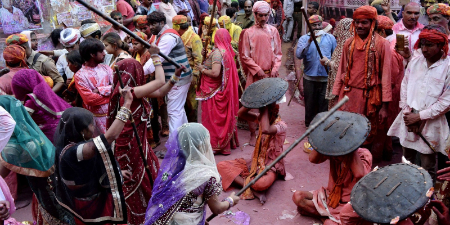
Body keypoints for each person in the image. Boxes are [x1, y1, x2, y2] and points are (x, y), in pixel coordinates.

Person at [107, 53, 173, 224]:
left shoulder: (135, 91)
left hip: (141, 145)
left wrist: (175, 78)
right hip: (129, 147)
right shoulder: (130, 92)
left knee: (147, 178)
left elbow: (161, 90)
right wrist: (156, 56)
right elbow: (158, 81)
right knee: (136, 182)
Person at [52, 98, 134, 224]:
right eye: (91, 124)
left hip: (87, 196)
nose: (93, 126)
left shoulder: (72, 143)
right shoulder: (74, 151)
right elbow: (110, 137)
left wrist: (118, 172)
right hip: (88, 203)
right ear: (82, 131)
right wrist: (127, 104)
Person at [0, 95, 76, 225]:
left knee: (57, 216)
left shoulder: (13, 147)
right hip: (54, 184)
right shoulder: (29, 134)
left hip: (45, 189)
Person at [144, 123, 240, 224]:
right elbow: (216, 208)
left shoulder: (175, 167)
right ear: (202, 145)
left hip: (163, 219)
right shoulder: (208, 175)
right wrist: (231, 200)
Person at [388, 25, 450, 179]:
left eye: (429, 45)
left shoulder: (447, 67)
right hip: (408, 119)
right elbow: (405, 86)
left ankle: (426, 200)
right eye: (422, 44)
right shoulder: (415, 62)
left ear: (441, 45)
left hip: (431, 122)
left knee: (427, 166)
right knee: (406, 162)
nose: (424, 49)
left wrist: (420, 117)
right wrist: (408, 114)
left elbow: (446, 102)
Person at [332, 5, 392, 162]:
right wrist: (335, 96)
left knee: (367, 133)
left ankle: (363, 166)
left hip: (370, 96)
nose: (359, 26)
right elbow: (341, 72)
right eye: (357, 22)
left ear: (372, 23)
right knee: (346, 129)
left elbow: (386, 75)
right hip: (348, 95)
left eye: (364, 22)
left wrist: (385, 107)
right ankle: (347, 164)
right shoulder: (348, 43)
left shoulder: (382, 44)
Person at [292, 111, 373, 225]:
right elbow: (312, 159)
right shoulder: (332, 151)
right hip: (330, 197)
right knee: (298, 197)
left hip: (348, 204)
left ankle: (327, 218)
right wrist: (325, 137)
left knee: (328, 224)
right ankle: (329, 217)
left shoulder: (364, 154)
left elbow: (359, 174)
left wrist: (350, 145)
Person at [218, 78, 288, 204]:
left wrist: (265, 106)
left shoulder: (281, 125)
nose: (263, 115)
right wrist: (253, 100)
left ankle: (252, 187)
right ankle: (253, 189)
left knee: (261, 184)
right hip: (255, 163)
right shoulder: (261, 119)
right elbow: (240, 113)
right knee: (220, 166)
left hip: (271, 165)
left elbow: (266, 129)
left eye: (267, 112)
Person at [240, 0, 282, 146]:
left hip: (271, 76)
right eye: (260, 15)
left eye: (266, 15)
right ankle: (253, 134)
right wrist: (257, 70)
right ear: (255, 14)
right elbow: (245, 56)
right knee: (251, 104)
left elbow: (278, 53)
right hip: (255, 75)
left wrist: (275, 69)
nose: (263, 18)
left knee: (272, 106)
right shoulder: (248, 33)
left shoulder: (273, 31)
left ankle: (269, 133)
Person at [145, 11, 193, 134]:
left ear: (162, 23)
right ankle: (185, 141)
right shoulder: (160, 34)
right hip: (178, 78)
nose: (150, 27)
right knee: (178, 111)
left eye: (153, 24)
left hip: (179, 79)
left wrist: (139, 71)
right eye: (149, 24)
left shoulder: (167, 37)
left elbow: (154, 61)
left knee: (174, 112)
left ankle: (175, 149)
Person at [196, 28, 239, 155]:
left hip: (213, 91)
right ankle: (224, 145)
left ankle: (215, 145)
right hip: (221, 90)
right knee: (220, 119)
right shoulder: (227, 51)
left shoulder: (217, 53)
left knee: (212, 120)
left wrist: (202, 69)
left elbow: (215, 73)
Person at [373, 15, 404, 161]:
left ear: (382, 33)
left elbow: (390, 80)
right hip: (391, 93)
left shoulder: (389, 51)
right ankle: (386, 153)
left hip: (389, 95)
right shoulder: (391, 46)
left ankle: (378, 158)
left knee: (382, 128)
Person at [296, 15, 336, 128]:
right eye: (314, 25)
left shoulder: (330, 38)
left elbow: (335, 57)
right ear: (309, 26)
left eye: (319, 24)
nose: (317, 27)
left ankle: (321, 127)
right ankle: (309, 126)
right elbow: (299, 55)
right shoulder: (303, 39)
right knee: (309, 104)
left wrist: (329, 62)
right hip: (309, 78)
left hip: (325, 77)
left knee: (324, 104)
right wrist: (309, 41)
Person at [11, 69, 71, 143]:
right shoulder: (45, 94)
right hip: (62, 130)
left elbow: (21, 123)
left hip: (49, 136)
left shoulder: (32, 101)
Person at [75, 38, 113, 133]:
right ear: (92, 54)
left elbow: (118, 87)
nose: (104, 53)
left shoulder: (106, 68)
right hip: (95, 120)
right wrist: (111, 96)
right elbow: (89, 100)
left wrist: (100, 90)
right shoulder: (80, 75)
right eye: (101, 51)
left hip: (113, 115)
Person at [173, 15, 203, 123]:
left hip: (190, 76)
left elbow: (198, 59)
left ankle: (192, 127)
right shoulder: (178, 37)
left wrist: (195, 75)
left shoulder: (194, 38)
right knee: (181, 105)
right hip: (179, 75)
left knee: (191, 105)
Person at [319, 18, 353, 109]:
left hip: (342, 87)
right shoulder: (347, 42)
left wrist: (327, 62)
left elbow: (341, 67)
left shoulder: (346, 44)